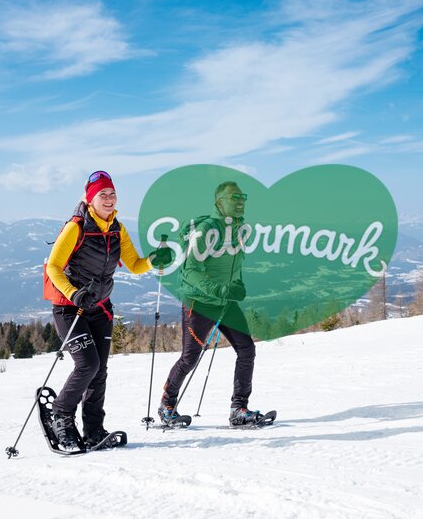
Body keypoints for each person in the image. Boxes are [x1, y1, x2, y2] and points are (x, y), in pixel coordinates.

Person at [45, 170, 173, 450]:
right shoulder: (76, 227)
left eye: (112, 193)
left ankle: (93, 428)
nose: (109, 198)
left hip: (101, 308)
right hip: (70, 308)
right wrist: (74, 293)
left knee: (100, 370)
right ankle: (61, 416)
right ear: (91, 199)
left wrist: (154, 259)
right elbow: (53, 266)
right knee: (87, 365)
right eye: (103, 194)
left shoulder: (118, 229)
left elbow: (136, 264)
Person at [159, 181, 263, 426]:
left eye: (243, 197)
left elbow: (232, 265)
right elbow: (190, 271)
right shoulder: (206, 230)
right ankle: (167, 406)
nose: (240, 201)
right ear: (219, 202)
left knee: (247, 349)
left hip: (226, 302)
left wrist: (237, 286)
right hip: (200, 302)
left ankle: (239, 409)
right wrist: (220, 289)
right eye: (234, 197)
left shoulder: (240, 229)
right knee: (190, 358)